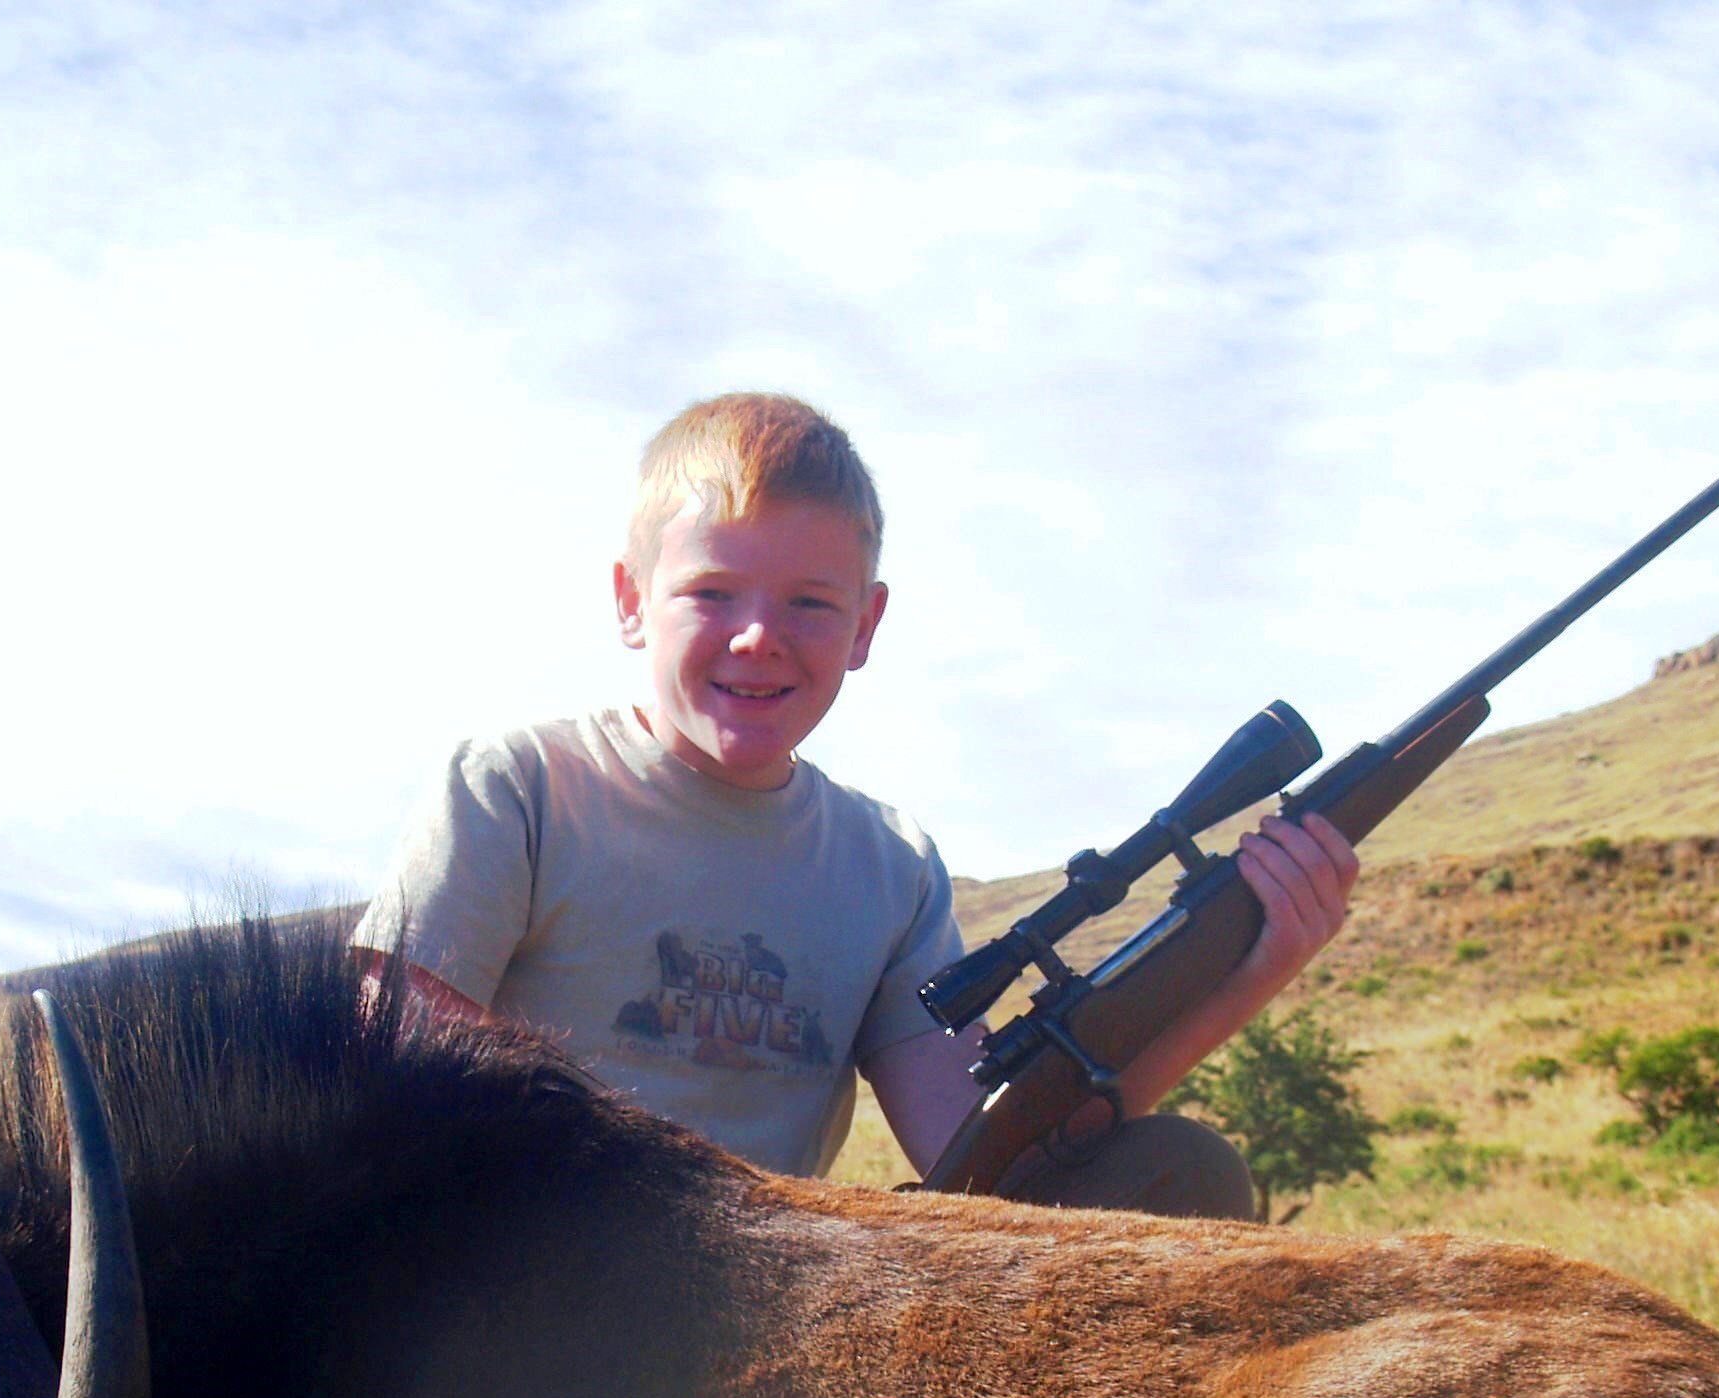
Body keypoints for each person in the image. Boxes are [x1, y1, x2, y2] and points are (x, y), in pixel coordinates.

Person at [348, 393, 1359, 1214]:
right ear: (629, 601)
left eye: (810, 605)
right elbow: (389, 1055)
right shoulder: (517, 789)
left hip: (771, 1317)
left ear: (866, 624)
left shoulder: (888, 865)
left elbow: (995, 1162)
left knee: (1181, 1173)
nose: (757, 638)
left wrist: (1251, 969)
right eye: (712, 594)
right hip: (511, 1287)